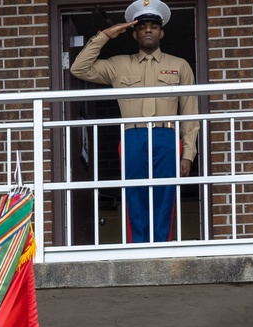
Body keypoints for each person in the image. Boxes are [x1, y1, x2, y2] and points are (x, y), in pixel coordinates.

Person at [70, 0, 197, 244]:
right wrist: (105, 35)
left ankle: (162, 247)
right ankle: (138, 247)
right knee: (134, 194)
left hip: (166, 136)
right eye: (142, 27)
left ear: (162, 32)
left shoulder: (179, 65)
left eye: (153, 26)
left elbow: (190, 113)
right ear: (134, 33)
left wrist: (188, 154)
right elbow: (79, 68)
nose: (148, 30)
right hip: (133, 136)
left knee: (164, 195)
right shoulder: (118, 64)